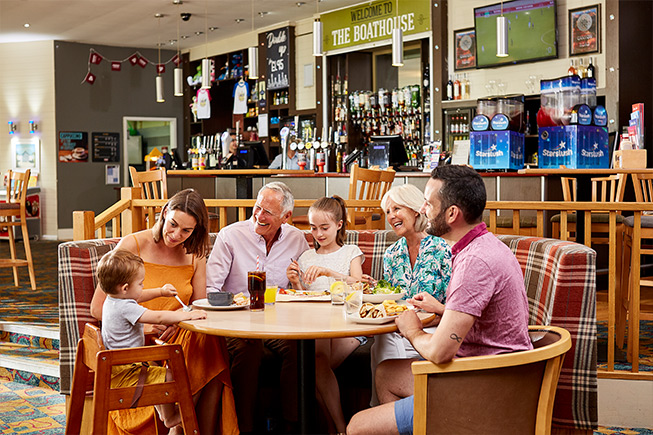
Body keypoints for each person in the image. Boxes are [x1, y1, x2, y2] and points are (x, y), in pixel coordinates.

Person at [347, 165, 533, 435]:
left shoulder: (474, 261)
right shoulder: (483, 245)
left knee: (356, 427)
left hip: (486, 385)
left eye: (428, 204)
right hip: (487, 369)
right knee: (386, 373)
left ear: (452, 214)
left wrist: (412, 330)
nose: (423, 209)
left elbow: (438, 352)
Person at [90, 189, 238, 435]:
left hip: (180, 331)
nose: (176, 235)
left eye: (186, 231)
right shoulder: (133, 244)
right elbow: (98, 307)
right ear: (164, 213)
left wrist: (178, 323)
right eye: (173, 225)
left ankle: (182, 425)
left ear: (196, 230)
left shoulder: (195, 254)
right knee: (205, 346)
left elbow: (198, 306)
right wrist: (145, 325)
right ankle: (181, 425)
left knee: (208, 339)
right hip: (139, 338)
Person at [206, 181, 309, 433]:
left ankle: (292, 424)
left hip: (278, 320)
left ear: (286, 217)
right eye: (257, 207)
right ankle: (243, 427)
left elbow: (305, 283)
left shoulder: (297, 239)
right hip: (237, 320)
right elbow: (211, 289)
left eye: (267, 212)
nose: (259, 216)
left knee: (300, 348)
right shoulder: (230, 236)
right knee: (248, 350)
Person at [97, 249, 207, 435]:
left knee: (157, 370)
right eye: (140, 283)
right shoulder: (125, 307)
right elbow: (157, 316)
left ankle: (165, 414)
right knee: (168, 375)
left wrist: (160, 292)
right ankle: (169, 417)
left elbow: (138, 296)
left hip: (118, 365)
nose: (142, 287)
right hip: (128, 369)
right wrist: (187, 315)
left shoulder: (112, 300)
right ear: (124, 288)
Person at [286, 196, 364, 434]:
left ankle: (337, 427)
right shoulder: (306, 256)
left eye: (324, 227)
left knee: (312, 365)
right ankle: (337, 428)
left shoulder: (351, 251)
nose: (318, 234)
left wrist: (330, 272)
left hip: (344, 321)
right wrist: (295, 283)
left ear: (339, 225)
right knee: (314, 363)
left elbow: (360, 285)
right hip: (315, 321)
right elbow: (301, 298)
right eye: (313, 228)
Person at [369, 184, 451, 406]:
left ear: (416, 210)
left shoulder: (443, 249)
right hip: (400, 328)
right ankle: (394, 412)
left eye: (397, 208)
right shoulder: (391, 254)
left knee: (385, 342)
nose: (391, 216)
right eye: (387, 211)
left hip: (435, 328)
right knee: (385, 338)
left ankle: (382, 413)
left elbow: (455, 306)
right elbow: (391, 300)